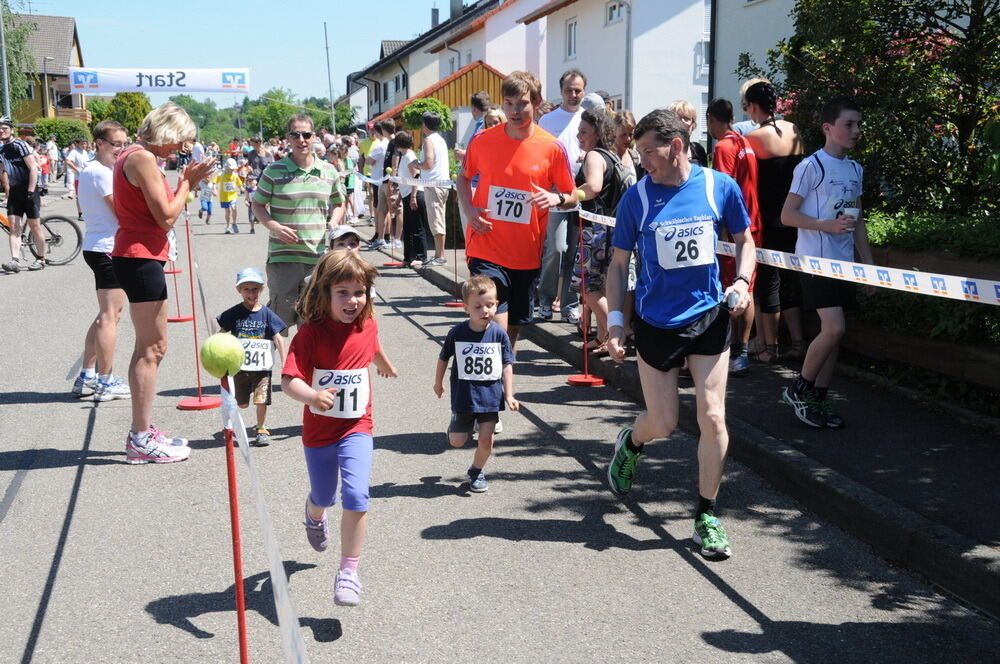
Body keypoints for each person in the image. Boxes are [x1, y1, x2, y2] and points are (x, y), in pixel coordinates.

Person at [605, 109, 756, 560]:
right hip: (656, 323)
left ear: (675, 145)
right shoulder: (636, 198)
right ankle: (630, 443)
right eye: (639, 151)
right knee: (664, 422)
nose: (641, 158)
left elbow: (746, 241)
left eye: (648, 150)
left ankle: (706, 515)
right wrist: (616, 322)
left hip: (710, 316)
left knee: (713, 417)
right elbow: (617, 266)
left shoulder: (716, 186)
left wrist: (743, 283)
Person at [281, 250, 398, 606]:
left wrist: (385, 364)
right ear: (325, 294)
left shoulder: (368, 324)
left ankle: (348, 572)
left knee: (358, 495)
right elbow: (288, 380)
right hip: (319, 434)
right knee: (324, 496)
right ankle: (314, 513)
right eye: (343, 293)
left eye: (359, 292)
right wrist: (312, 396)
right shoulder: (309, 335)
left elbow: (370, 345)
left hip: (357, 426)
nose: (352, 300)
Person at [112, 101, 215, 463]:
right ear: (167, 132)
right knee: (152, 349)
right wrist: (188, 181)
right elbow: (166, 217)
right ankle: (140, 437)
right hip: (139, 257)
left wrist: (184, 182)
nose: (181, 149)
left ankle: (142, 430)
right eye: (180, 141)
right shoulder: (141, 158)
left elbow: (160, 212)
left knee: (148, 347)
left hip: (139, 255)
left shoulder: (137, 156)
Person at [456, 70, 577, 351]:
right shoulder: (483, 141)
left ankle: (500, 375)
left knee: (513, 325)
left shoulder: (552, 148)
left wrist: (556, 198)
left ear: (536, 103)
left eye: (522, 103)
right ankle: (492, 380)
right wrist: (471, 211)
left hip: (526, 252)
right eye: (508, 103)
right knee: (493, 318)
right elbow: (463, 178)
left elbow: (571, 195)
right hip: (485, 244)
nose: (514, 111)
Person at [780, 97, 872, 429]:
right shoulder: (810, 167)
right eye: (849, 124)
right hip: (816, 262)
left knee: (832, 336)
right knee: (835, 328)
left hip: (845, 262)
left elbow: (858, 222)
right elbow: (787, 215)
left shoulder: (855, 169)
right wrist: (826, 226)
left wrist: (869, 268)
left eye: (858, 124)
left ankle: (818, 398)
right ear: (827, 129)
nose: (856, 131)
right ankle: (799, 389)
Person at [251, 113, 346, 336]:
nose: (301, 140)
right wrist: (274, 226)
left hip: (317, 258)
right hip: (284, 259)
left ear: (314, 137)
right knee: (278, 326)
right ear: (288, 138)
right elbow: (257, 206)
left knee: (313, 324)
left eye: (306, 134)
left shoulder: (328, 171)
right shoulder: (274, 171)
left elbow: (339, 204)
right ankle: (277, 370)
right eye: (296, 134)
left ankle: (306, 370)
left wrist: (332, 222)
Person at [434, 275, 518, 493]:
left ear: (496, 305)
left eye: (490, 305)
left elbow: (507, 364)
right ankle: (457, 423)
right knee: (457, 441)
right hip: (464, 397)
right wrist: (438, 383)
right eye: (478, 306)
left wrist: (509, 395)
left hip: (490, 398)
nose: (485, 311)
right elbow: (444, 358)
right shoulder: (458, 333)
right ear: (466, 308)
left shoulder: (499, 334)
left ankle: (476, 471)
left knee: (486, 441)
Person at [745, 81, 805, 362]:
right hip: (796, 216)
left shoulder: (754, 137)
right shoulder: (793, 130)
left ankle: (770, 348)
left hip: (769, 217)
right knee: (791, 279)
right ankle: (797, 342)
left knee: (769, 282)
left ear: (754, 106)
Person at [73, 120, 131, 401]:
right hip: (107, 248)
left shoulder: (95, 169)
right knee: (110, 317)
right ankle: (105, 380)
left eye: (123, 144)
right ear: (99, 143)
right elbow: (122, 211)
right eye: (115, 144)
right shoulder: (101, 172)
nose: (120, 150)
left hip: (100, 246)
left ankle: (87, 375)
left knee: (104, 316)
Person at [707, 97, 763, 376]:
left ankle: (734, 351)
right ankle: (742, 350)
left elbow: (723, 189)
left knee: (733, 288)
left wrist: (723, 229)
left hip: (735, 229)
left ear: (711, 119)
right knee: (747, 287)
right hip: (753, 223)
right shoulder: (746, 144)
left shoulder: (724, 146)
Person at [570, 108, 625, 355]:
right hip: (613, 230)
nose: (579, 136)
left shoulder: (593, 156)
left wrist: (567, 196)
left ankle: (616, 334)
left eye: (584, 132)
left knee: (588, 287)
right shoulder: (614, 156)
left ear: (597, 133)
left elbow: (592, 187)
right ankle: (604, 336)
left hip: (594, 232)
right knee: (604, 286)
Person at [537, 69, 587, 322]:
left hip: (581, 193)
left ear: (584, 91)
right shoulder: (548, 121)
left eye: (578, 90)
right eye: (569, 90)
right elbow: (539, 156)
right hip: (555, 194)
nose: (573, 94)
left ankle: (569, 303)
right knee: (555, 249)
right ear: (561, 91)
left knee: (574, 253)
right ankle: (545, 299)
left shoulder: (588, 119)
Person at [218, 267, 288, 446]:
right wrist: (217, 354)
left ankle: (261, 428)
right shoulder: (233, 313)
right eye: (246, 289)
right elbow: (220, 334)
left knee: (261, 399)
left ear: (261, 290)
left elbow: (278, 338)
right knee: (242, 404)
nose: (251, 293)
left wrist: (285, 362)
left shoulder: (266, 314)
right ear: (239, 290)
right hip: (239, 368)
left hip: (262, 369)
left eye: (255, 289)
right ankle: (234, 423)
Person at [0, 116, 46, 273]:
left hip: (29, 190)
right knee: (14, 226)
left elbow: (33, 168)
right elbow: (1, 170)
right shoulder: (1, 148)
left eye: (4, 128)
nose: (1, 131)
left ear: (11, 129)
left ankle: (40, 259)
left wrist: (31, 190)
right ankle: (15, 261)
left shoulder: (20, 144)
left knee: (34, 226)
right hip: (15, 192)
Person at [408, 112, 450, 265]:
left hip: (433, 184)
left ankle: (440, 256)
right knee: (439, 218)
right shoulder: (441, 139)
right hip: (442, 184)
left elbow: (429, 163)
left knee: (436, 220)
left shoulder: (428, 141)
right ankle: (440, 255)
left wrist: (416, 164)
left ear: (425, 125)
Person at [395, 130, 428, 267]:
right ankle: (408, 257)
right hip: (406, 194)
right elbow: (405, 179)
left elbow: (416, 176)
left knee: (417, 227)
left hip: (414, 194)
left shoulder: (410, 156)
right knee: (408, 228)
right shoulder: (404, 156)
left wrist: (413, 196)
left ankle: (421, 256)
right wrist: (399, 197)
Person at [666, 100, 709, 166]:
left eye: (687, 118)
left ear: (693, 124)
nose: (683, 122)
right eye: (678, 118)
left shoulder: (698, 150)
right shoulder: (662, 150)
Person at [454, 90, 490, 164]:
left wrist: (464, 155)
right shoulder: (486, 123)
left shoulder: (483, 125)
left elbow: (485, 154)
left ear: (473, 108)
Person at [216, 158, 244, 234]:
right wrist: (214, 189)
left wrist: (244, 190)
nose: (232, 170)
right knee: (227, 212)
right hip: (224, 196)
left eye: (233, 168)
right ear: (227, 167)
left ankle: (234, 223)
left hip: (233, 195)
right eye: (231, 168)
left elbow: (240, 185)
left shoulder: (235, 175)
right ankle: (228, 226)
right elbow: (214, 182)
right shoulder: (221, 175)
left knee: (233, 207)